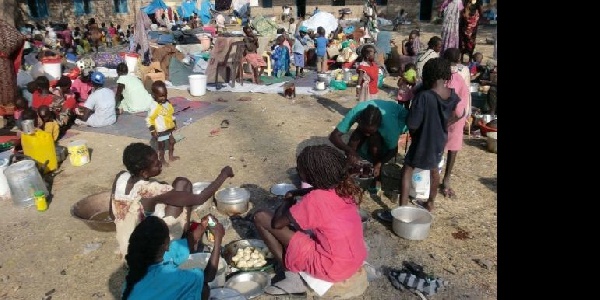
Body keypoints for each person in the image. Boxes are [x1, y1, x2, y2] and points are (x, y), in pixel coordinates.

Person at [253, 145, 367, 296]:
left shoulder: (316, 200)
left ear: (312, 175)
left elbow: (277, 224)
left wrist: (287, 201)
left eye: (300, 170)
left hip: (332, 267)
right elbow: (314, 192)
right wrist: (296, 192)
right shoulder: (344, 187)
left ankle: (292, 277)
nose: (299, 173)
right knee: (302, 227)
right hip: (354, 258)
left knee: (261, 217)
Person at [110, 142, 234, 259]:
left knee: (177, 186)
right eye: (155, 163)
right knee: (183, 185)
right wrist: (224, 174)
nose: (159, 163)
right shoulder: (150, 190)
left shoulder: (121, 177)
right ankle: (184, 243)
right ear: (144, 172)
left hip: (127, 248)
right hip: (146, 257)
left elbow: (112, 214)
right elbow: (200, 198)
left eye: (158, 159)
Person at [398, 58, 462, 212]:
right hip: (439, 140)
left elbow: (413, 124)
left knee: (408, 169)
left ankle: (403, 208)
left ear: (428, 75)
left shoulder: (424, 97)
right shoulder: (452, 95)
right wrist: (443, 125)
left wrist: (413, 130)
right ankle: (430, 203)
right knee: (434, 170)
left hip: (422, 139)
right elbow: (457, 114)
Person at [121, 215, 225, 300]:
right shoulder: (175, 278)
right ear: (166, 245)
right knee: (202, 288)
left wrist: (203, 226)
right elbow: (208, 276)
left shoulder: (137, 271)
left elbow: (187, 244)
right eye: (168, 239)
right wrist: (218, 241)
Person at [329, 100, 408, 191]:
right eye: (364, 130)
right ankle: (348, 170)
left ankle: (377, 177)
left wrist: (379, 164)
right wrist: (351, 152)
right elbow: (334, 136)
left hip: (399, 118)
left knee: (374, 142)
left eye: (370, 132)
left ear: (379, 126)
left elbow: (393, 150)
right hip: (374, 120)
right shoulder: (356, 112)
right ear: (359, 120)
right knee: (356, 137)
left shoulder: (389, 127)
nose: (366, 135)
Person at [440, 48, 470, 199]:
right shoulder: (462, 73)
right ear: (458, 60)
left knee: (438, 146)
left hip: (443, 117)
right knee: (453, 149)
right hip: (457, 116)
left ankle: (434, 174)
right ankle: (446, 178)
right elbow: (464, 98)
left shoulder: (440, 73)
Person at [147, 80, 178, 166]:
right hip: (161, 130)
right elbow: (150, 119)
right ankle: (162, 160)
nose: (163, 98)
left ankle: (171, 156)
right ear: (154, 95)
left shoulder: (167, 103)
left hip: (169, 128)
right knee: (162, 146)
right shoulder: (155, 106)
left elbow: (171, 113)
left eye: (165, 95)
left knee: (172, 142)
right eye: (161, 96)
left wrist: (174, 122)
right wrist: (152, 130)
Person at [0, 18, 26, 113]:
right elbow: (19, 37)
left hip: (5, 61)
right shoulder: (5, 25)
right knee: (7, 86)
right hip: (5, 62)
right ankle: (9, 112)